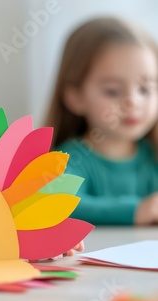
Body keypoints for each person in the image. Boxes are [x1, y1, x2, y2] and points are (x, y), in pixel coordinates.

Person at [45, 17, 158, 226]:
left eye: (145, 89)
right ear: (75, 96)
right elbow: (55, 202)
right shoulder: (69, 160)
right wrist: (136, 211)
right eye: (113, 91)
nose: (131, 102)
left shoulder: (153, 155)